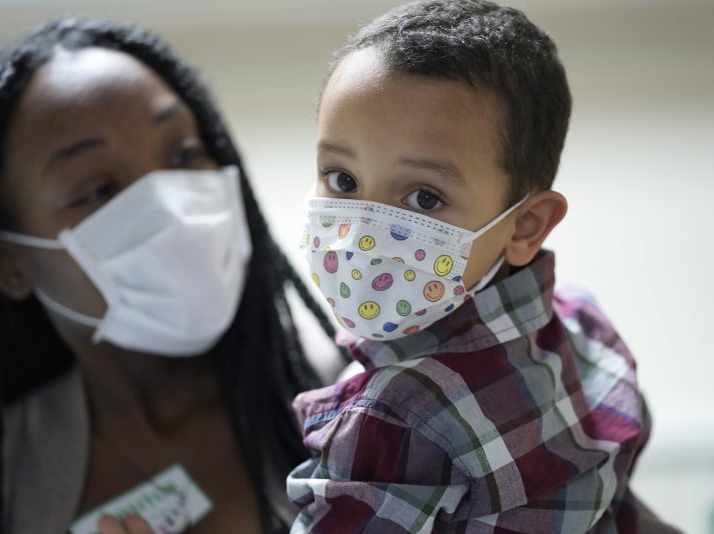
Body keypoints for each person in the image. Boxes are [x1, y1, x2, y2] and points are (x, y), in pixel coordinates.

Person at [287, 1, 678, 532]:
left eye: (424, 198)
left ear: (525, 226)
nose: (359, 237)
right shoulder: (583, 320)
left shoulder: (391, 417)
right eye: (342, 179)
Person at [0, 17, 342, 534]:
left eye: (184, 154)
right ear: (11, 266)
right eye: (97, 190)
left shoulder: (356, 388)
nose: (170, 208)